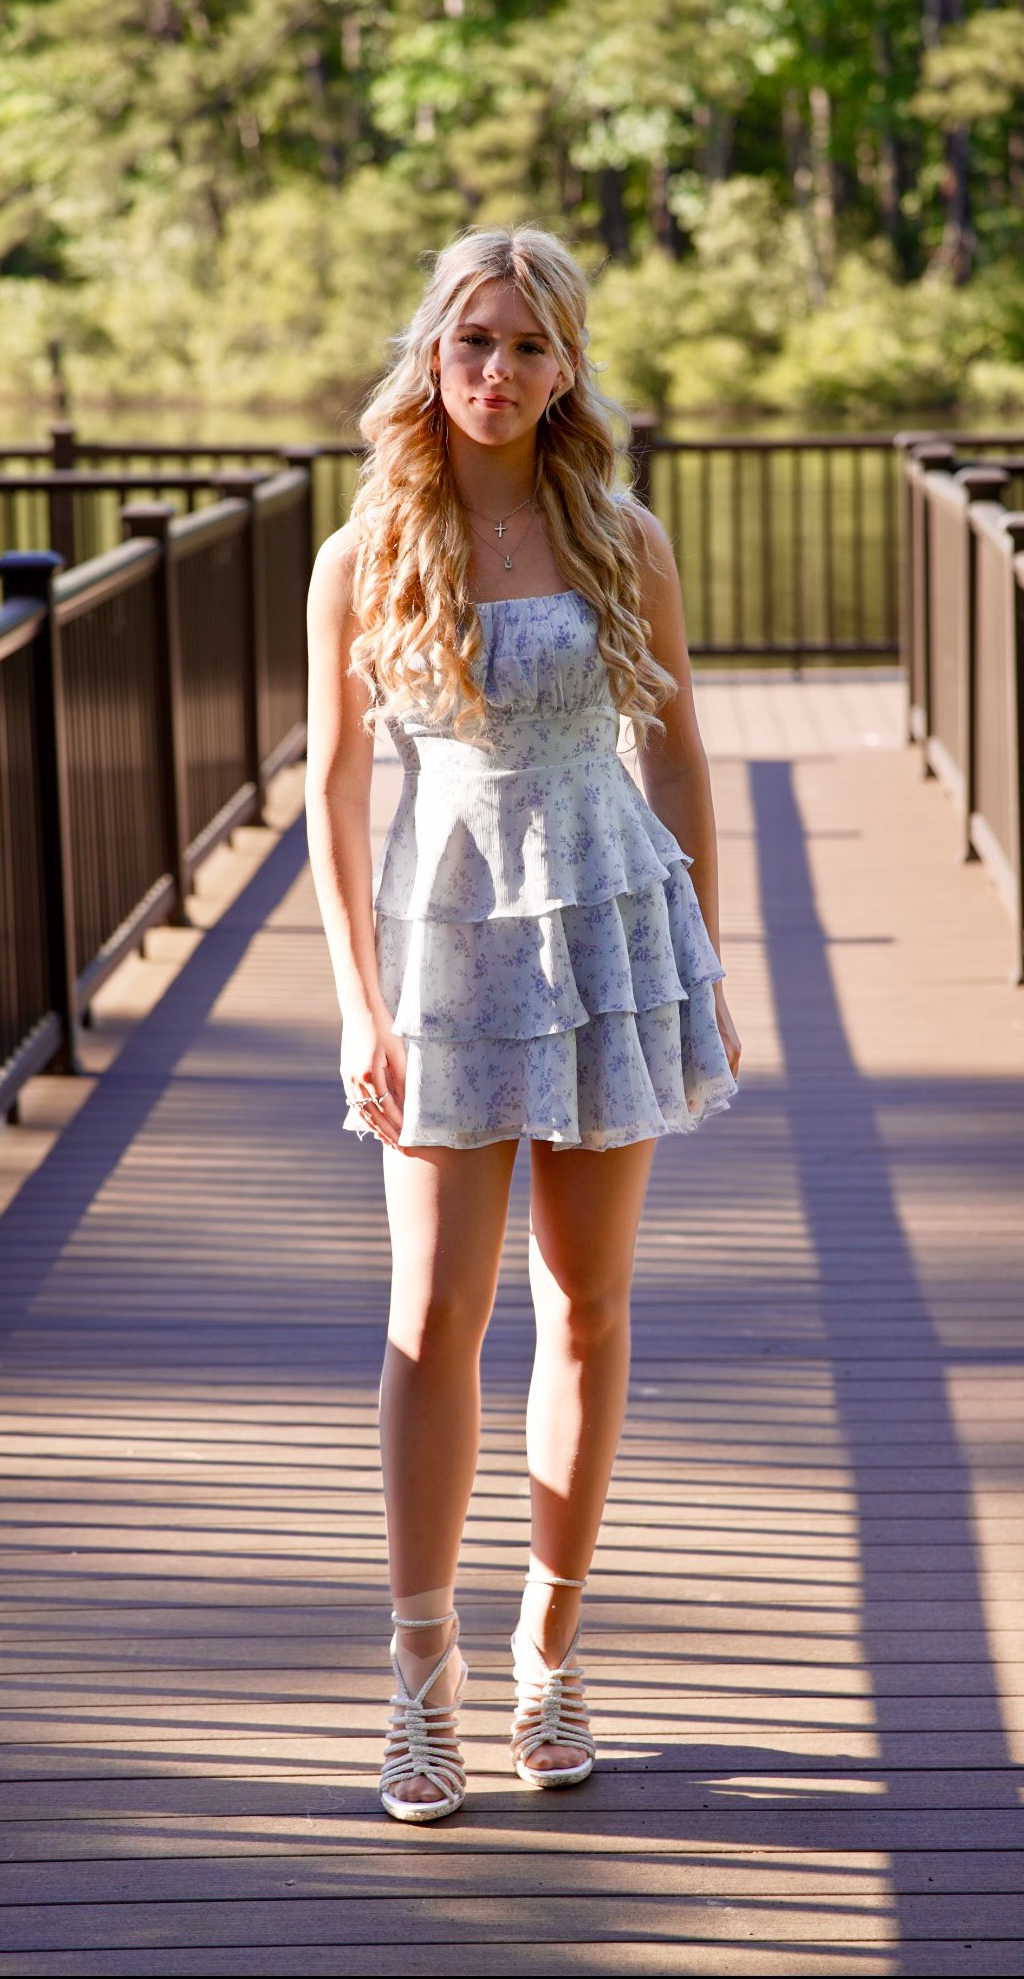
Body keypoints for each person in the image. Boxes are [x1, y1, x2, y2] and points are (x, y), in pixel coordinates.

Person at [304, 223, 742, 1824]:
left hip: (611, 925)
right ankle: (419, 1682)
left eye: (531, 346)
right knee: (432, 1312)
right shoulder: (365, 547)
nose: (499, 371)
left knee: (587, 1306)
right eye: (474, 340)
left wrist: (705, 950)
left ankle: (548, 1652)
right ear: (434, 350)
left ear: (569, 369)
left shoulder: (620, 532)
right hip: (442, 934)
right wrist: (357, 996)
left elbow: (680, 745)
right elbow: (333, 785)